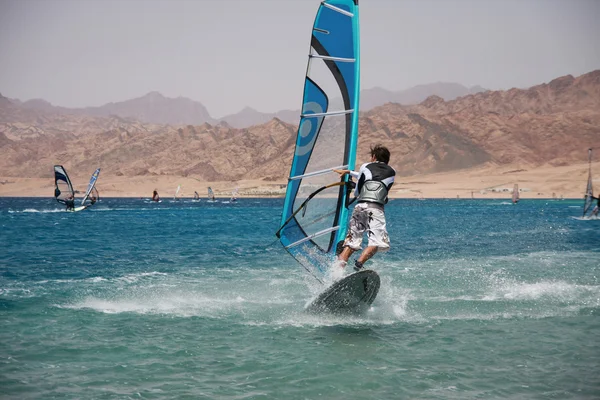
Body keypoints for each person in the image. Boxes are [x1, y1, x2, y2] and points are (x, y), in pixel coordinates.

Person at [333, 144, 396, 272]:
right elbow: (378, 180)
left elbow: (358, 191)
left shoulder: (365, 166)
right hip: (376, 208)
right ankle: (358, 265)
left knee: (352, 242)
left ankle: (337, 272)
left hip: (360, 206)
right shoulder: (392, 172)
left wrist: (350, 176)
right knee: (375, 242)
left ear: (373, 157)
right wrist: (351, 173)